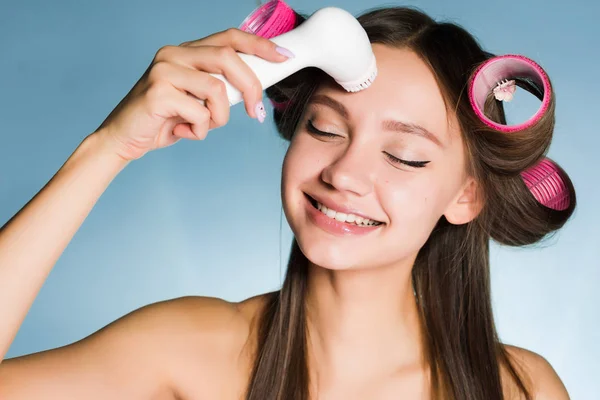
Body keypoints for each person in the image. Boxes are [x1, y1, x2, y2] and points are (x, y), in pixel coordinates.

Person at [0, 5, 575, 400]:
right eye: (325, 128)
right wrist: (106, 149)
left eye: (403, 155)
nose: (345, 173)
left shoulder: (521, 389)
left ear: (467, 193)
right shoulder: (188, 350)